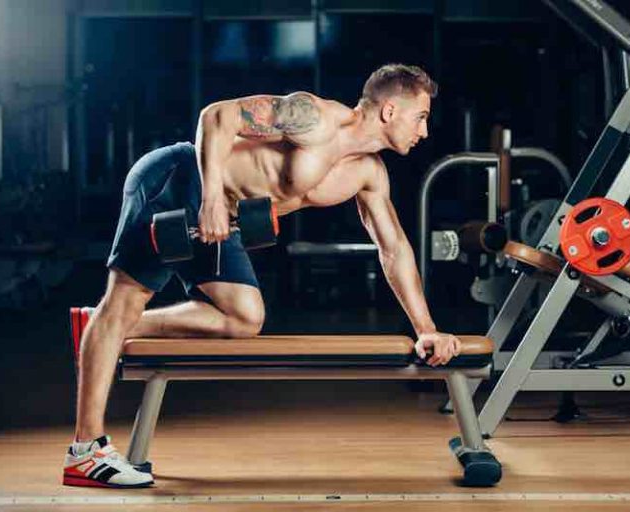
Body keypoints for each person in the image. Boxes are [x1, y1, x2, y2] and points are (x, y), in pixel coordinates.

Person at [63, 64, 462, 488]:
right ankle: (85, 452)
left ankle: (100, 327)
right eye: (420, 117)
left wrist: (426, 329)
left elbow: (394, 249)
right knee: (124, 299)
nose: (424, 131)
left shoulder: (368, 174)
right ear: (388, 111)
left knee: (245, 317)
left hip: (225, 216)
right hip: (182, 178)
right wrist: (212, 196)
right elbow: (217, 117)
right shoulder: (316, 117)